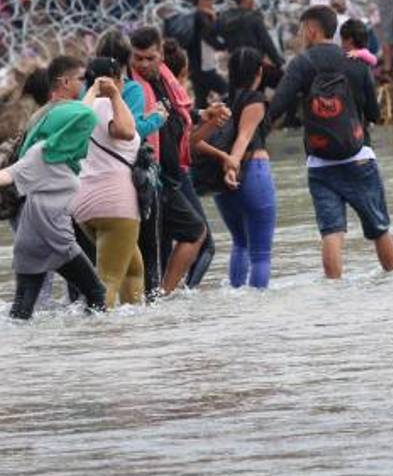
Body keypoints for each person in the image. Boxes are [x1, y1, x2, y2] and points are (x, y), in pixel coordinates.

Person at [268, 5, 393, 279]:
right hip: (359, 157)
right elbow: (375, 114)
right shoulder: (356, 62)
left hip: (320, 163)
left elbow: (277, 106)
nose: (301, 36)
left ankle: (334, 298)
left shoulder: (301, 64)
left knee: (331, 231)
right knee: (379, 227)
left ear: (312, 30)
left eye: (302, 30)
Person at [0, 100, 106, 318]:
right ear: (71, 130)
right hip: (56, 240)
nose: (89, 137)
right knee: (96, 294)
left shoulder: (66, 157)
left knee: (22, 311)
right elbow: (11, 174)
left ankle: (24, 349)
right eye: (86, 131)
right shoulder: (42, 154)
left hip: (33, 239)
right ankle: (92, 342)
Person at [128, 26, 222, 295]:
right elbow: (132, 128)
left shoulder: (165, 81)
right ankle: (162, 298)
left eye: (150, 58)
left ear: (160, 56)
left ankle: (158, 301)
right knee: (192, 235)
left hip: (170, 175)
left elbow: (179, 116)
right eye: (138, 58)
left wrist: (203, 114)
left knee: (163, 248)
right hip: (152, 178)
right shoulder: (134, 88)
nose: (143, 64)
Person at [193, 48, 277, 289]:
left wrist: (227, 168)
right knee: (260, 253)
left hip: (222, 178)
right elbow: (244, 137)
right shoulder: (255, 100)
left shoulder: (223, 104)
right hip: (252, 171)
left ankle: (236, 300)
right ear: (259, 72)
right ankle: (257, 309)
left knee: (240, 243)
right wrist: (233, 165)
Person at [68, 57, 147, 308]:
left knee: (133, 267)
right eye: (121, 78)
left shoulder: (83, 107)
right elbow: (124, 131)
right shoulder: (107, 106)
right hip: (115, 204)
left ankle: (134, 321)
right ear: (113, 79)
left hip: (83, 205)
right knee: (108, 280)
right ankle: (99, 337)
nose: (124, 83)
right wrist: (114, 96)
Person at [218, 0, 284, 70]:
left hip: (235, 63)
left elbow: (220, 37)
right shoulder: (254, 17)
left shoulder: (224, 17)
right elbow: (267, 42)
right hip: (254, 62)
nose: (254, 0)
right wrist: (278, 63)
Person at [189, 0, 228, 111]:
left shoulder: (197, 16)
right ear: (201, 1)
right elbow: (209, 35)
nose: (212, 3)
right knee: (225, 89)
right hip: (203, 66)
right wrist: (223, 46)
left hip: (197, 66)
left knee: (201, 100)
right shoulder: (200, 16)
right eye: (209, 0)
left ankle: (199, 125)